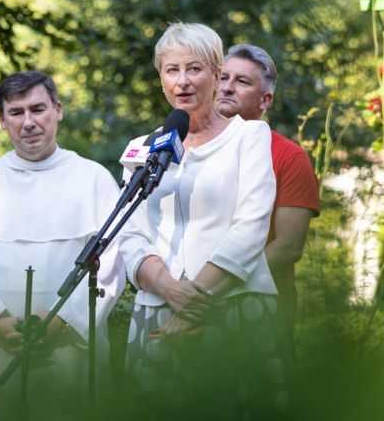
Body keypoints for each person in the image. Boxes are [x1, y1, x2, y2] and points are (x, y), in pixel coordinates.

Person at [119, 23, 287, 418]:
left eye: (194, 69)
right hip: (156, 307)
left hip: (233, 306)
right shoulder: (142, 149)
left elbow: (251, 226)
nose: (182, 81)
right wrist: (168, 289)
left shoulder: (249, 137)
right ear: (160, 77)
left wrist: (194, 298)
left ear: (216, 74)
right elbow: (129, 233)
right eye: (171, 70)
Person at [0, 71, 125, 421]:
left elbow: (111, 270)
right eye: (16, 112)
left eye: (38, 109)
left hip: (72, 351)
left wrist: (59, 321)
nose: (28, 122)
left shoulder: (94, 181)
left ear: (57, 110)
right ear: (1, 120)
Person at [216, 43, 320, 338]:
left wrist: (213, 289)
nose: (227, 88)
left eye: (242, 81)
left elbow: (288, 248)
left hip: (259, 312)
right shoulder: (188, 149)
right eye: (223, 78)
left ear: (265, 100)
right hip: (191, 311)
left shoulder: (289, 157)